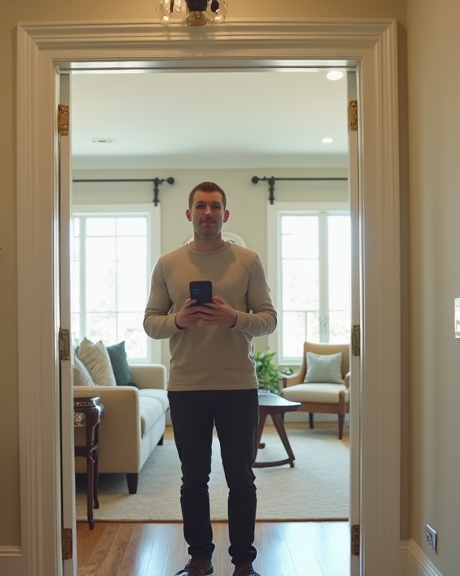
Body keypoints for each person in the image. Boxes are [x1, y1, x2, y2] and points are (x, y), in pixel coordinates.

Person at [144, 181, 278, 576]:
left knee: (241, 478)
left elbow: (269, 318)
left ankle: (243, 563)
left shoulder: (248, 260)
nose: (208, 213)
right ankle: (200, 558)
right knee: (193, 479)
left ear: (225, 214)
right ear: (189, 214)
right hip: (187, 387)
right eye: (200, 206)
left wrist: (234, 319)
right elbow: (151, 323)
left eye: (215, 207)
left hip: (238, 386)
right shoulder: (168, 264)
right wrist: (179, 320)